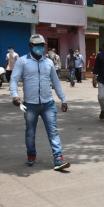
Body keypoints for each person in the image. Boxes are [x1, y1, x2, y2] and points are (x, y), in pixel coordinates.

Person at [9, 34, 70, 171]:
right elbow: (13, 79)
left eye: (42, 45)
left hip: (48, 104)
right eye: (36, 45)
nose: (39, 48)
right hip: (30, 105)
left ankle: (58, 158)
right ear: (30, 46)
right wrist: (14, 95)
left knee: (53, 131)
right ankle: (31, 154)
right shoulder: (22, 62)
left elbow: (56, 82)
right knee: (30, 132)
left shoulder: (49, 63)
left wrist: (63, 99)